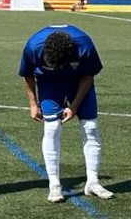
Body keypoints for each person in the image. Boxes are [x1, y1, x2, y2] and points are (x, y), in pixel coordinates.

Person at [19, 24, 112, 202]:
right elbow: (27, 74)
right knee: (52, 128)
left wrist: (74, 105)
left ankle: (93, 182)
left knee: (90, 127)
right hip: (49, 84)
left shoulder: (84, 44)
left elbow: (89, 75)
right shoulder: (33, 46)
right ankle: (54, 184)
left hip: (78, 81)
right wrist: (33, 103)